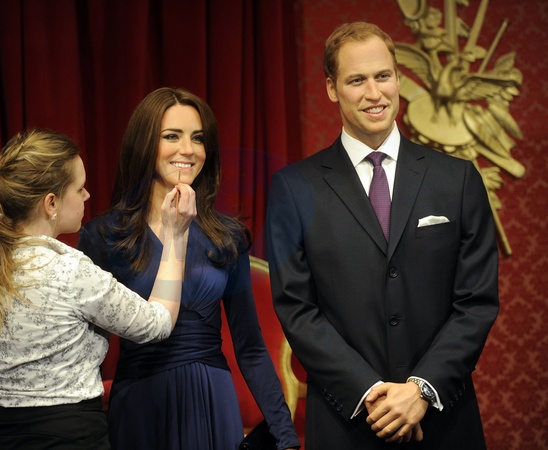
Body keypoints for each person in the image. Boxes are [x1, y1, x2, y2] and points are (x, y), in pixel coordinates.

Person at [266, 22, 499, 449]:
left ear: (398, 78)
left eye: (383, 76)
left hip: (444, 421)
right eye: (357, 80)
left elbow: (476, 302)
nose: (374, 93)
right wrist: (371, 393)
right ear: (332, 88)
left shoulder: (458, 180)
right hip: (347, 423)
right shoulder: (293, 189)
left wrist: (422, 389)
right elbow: (297, 310)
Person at [78, 87, 300, 450]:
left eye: (198, 138)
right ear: (144, 144)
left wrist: (286, 438)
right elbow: (89, 353)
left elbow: (250, 346)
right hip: (141, 405)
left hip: (213, 402)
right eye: (172, 136)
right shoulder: (103, 236)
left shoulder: (227, 237)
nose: (188, 149)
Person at [0, 128, 196, 450]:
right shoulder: (70, 271)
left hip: (5, 438)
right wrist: (176, 237)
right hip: (74, 437)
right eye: (80, 188)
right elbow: (157, 324)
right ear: (51, 202)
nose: (87, 196)